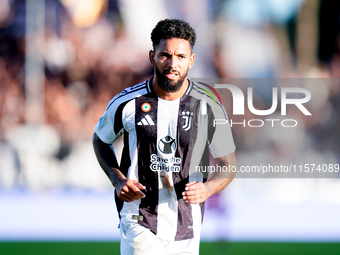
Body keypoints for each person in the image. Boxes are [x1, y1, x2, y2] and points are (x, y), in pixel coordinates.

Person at [93, 18, 236, 255]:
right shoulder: (127, 103)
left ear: (191, 60)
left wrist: (207, 189)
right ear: (152, 57)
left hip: (187, 224)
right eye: (165, 55)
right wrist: (118, 179)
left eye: (180, 57)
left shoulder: (208, 106)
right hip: (138, 217)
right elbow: (100, 139)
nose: (172, 63)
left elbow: (228, 165)